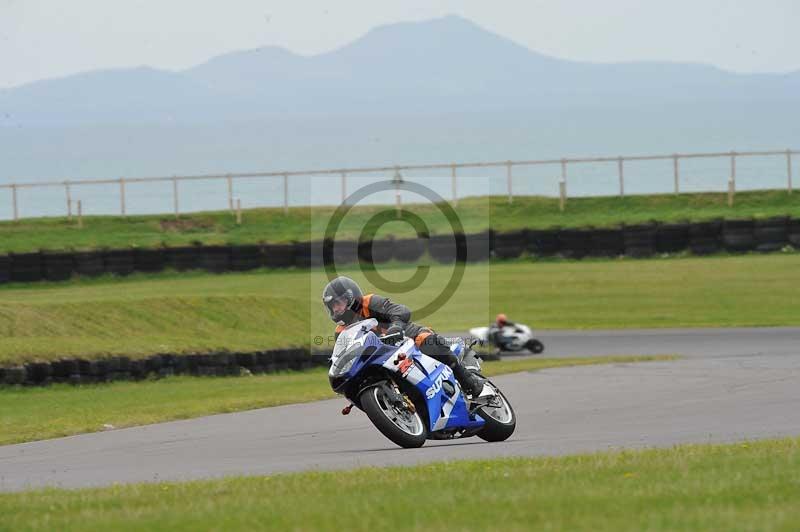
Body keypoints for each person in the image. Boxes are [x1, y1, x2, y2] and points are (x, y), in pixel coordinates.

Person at [322, 276, 490, 398]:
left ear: (351, 297)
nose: (336, 309)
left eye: (338, 303)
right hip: (383, 357)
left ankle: (470, 383)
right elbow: (346, 353)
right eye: (332, 306)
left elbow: (400, 310)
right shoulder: (341, 332)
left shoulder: (369, 302)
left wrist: (395, 327)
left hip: (409, 338)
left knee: (429, 343)